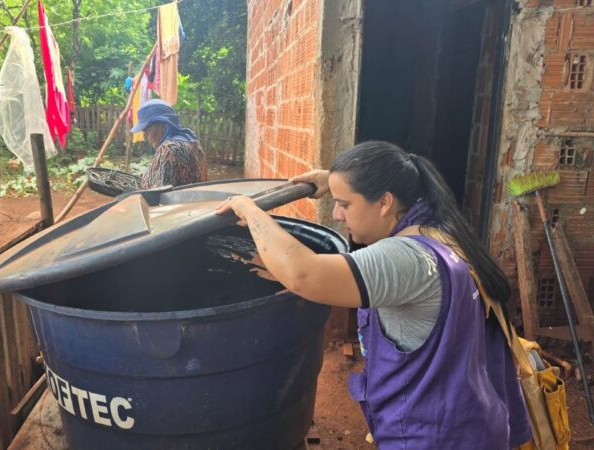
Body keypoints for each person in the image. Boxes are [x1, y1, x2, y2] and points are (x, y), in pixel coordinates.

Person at [216, 141, 532, 449]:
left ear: (384, 203)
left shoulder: (407, 260)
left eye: (344, 204)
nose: (337, 215)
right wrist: (338, 182)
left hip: (433, 436)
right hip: (469, 422)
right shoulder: (439, 228)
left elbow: (304, 274)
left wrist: (250, 210)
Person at [130, 99, 208, 189]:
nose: (144, 136)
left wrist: (145, 180)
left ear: (163, 125)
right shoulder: (193, 142)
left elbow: (158, 193)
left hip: (175, 202)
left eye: (146, 129)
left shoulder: (168, 149)